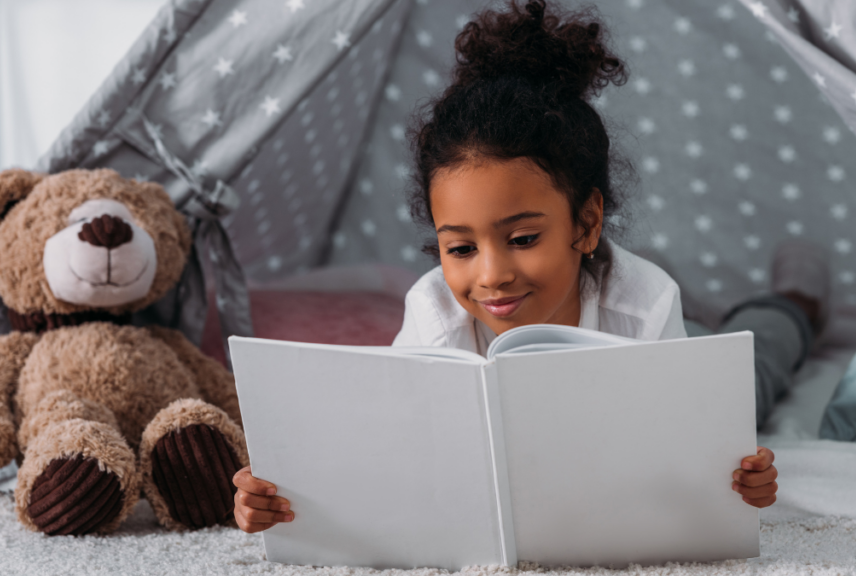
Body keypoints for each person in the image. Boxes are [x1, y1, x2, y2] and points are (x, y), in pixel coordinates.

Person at [231, 0, 790, 534]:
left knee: (757, 376)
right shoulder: (432, 313)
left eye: (522, 237)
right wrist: (279, 494)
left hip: (685, 339)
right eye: (462, 248)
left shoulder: (647, 306)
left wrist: (744, 479)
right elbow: (383, 451)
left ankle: (792, 302)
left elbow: (692, 454)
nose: (491, 275)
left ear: (586, 223)